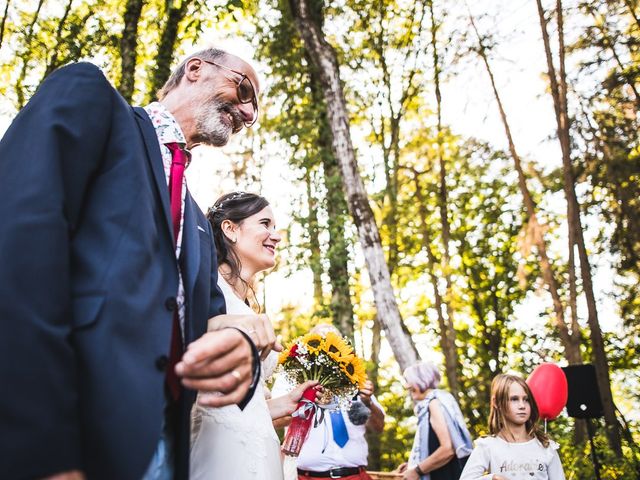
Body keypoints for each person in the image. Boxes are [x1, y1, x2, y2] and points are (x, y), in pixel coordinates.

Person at [0, 48, 276, 480]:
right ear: (196, 69)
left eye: (253, 108)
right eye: (243, 89)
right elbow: (17, 244)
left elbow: (210, 324)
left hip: (165, 448)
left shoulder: (199, 224)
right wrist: (42, 450)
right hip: (63, 432)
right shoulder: (94, 101)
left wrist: (242, 342)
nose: (246, 111)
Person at [190, 191, 318, 479]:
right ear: (231, 229)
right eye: (265, 224)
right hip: (217, 449)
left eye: (275, 227)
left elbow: (242, 406)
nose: (275, 236)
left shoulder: (248, 304)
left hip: (258, 447)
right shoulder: (206, 287)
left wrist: (284, 404)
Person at [282, 323, 385, 480]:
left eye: (332, 344)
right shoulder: (292, 381)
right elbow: (274, 420)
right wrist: (307, 401)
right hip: (309, 477)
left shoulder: (355, 382)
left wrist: (368, 402)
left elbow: (378, 427)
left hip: (355, 476)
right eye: (321, 343)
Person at [459, 374, 566, 480]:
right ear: (497, 403)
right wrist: (492, 478)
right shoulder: (488, 446)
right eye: (514, 399)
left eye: (526, 399)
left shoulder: (546, 446)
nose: (522, 405)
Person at [398, 362, 472, 480]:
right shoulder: (437, 401)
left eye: (409, 381)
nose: (406, 386)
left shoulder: (434, 403)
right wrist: (413, 465)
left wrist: (417, 471)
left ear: (422, 380)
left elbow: (447, 449)